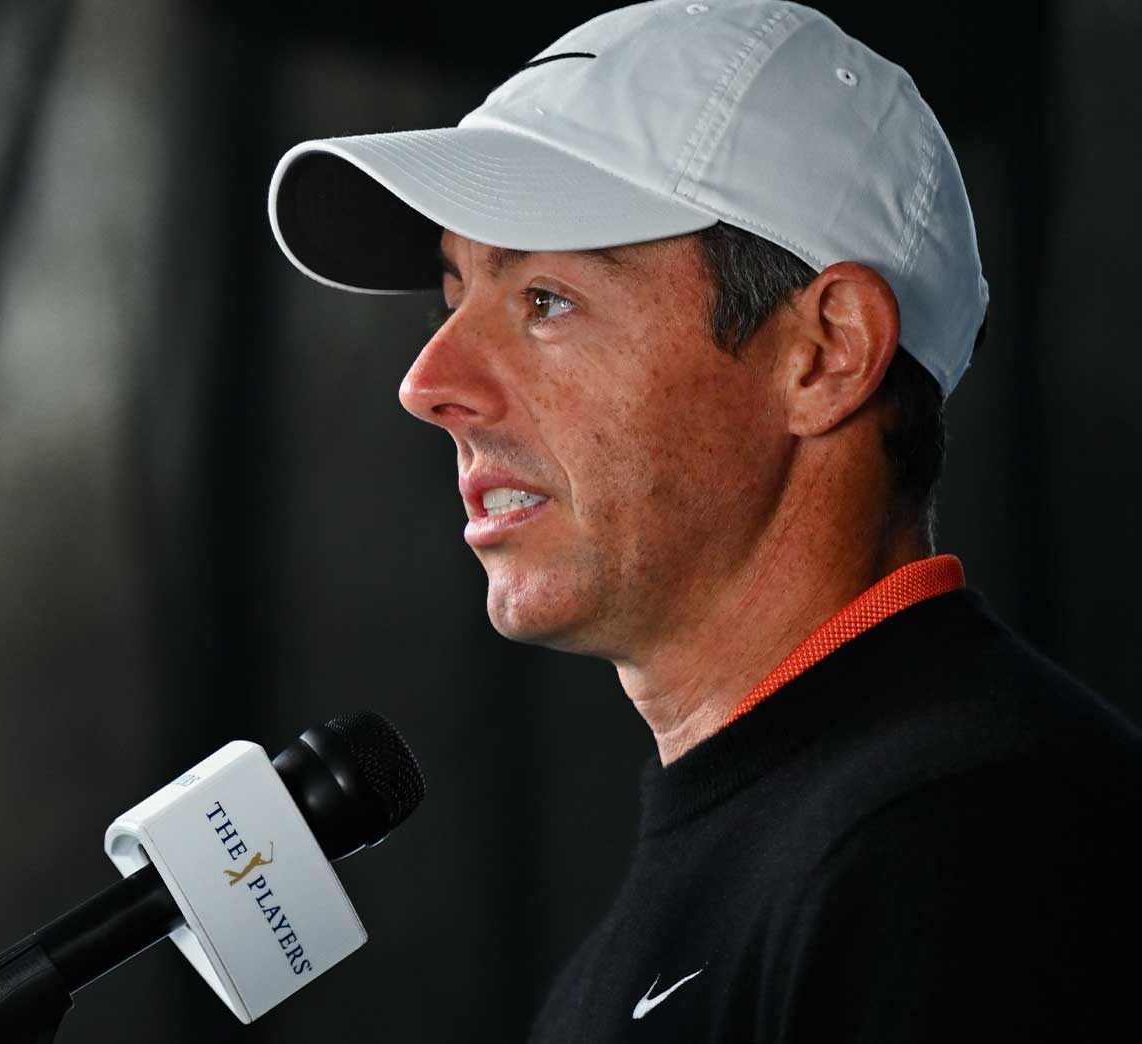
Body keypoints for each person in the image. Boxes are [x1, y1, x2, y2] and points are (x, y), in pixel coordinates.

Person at [265, 1, 1141, 1040]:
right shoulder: (801, 858)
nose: (426, 382)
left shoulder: (980, 853)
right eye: (447, 299)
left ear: (824, 353)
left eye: (542, 298)